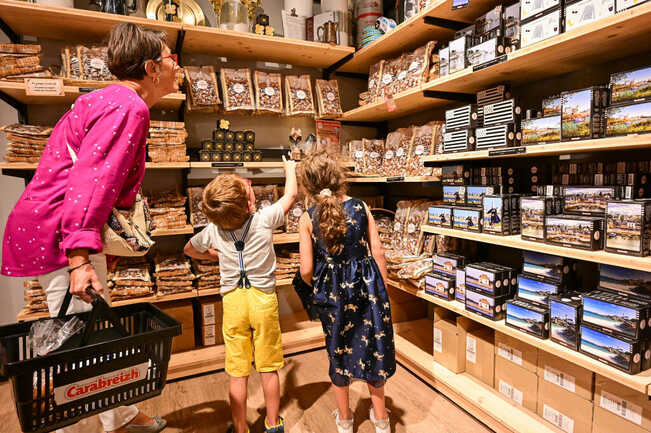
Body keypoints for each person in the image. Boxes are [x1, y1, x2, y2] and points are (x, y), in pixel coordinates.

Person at [2, 22, 180, 433]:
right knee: (72, 339)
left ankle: (120, 416)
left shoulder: (109, 99)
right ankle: (61, 422)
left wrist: (97, 250)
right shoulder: (128, 106)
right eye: (172, 59)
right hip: (61, 228)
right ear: (152, 68)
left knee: (87, 327)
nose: (178, 66)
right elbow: (92, 181)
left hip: (57, 225)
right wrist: (80, 257)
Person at [183, 157, 297, 433]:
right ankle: (272, 424)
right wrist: (290, 169)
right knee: (268, 367)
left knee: (237, 370)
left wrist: (215, 254)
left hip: (233, 300)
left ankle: (241, 427)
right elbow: (291, 195)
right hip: (263, 300)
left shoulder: (212, 230)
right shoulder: (264, 219)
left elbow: (189, 249)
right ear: (249, 205)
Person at [294, 150, 396, 433]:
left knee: (337, 350)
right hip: (368, 290)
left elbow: (305, 269)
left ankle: (345, 419)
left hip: (332, 295)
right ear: (340, 178)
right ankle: (381, 420)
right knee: (374, 348)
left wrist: (321, 284)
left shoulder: (307, 217)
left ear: (307, 185)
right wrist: (382, 290)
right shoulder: (361, 207)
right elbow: (377, 252)